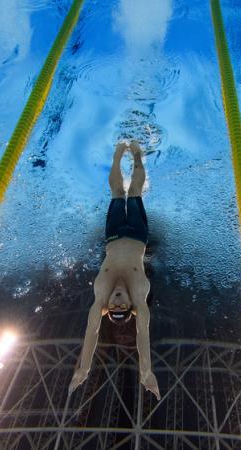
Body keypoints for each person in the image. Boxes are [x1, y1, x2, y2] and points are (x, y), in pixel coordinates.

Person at [68, 141, 159, 399]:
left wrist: (83, 369)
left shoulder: (100, 296)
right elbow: (143, 333)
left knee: (118, 191)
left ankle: (119, 154)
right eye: (124, 308)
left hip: (114, 235)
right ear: (131, 304)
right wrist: (146, 373)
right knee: (136, 192)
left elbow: (92, 331)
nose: (118, 303)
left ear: (108, 306)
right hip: (139, 236)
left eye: (113, 308)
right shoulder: (140, 295)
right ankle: (139, 155)